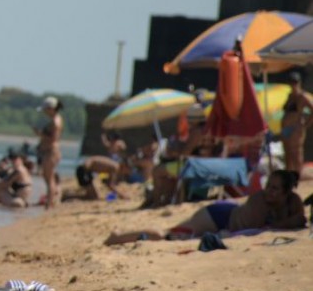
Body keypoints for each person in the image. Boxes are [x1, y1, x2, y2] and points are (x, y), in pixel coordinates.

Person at [105, 169, 307, 245]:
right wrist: (286, 220)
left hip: (224, 215)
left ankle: (121, 237)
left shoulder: (294, 200)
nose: (268, 191)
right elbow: (268, 226)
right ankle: (118, 236)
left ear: (286, 192)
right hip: (216, 216)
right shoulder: (259, 201)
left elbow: (301, 220)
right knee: (168, 235)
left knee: (171, 236)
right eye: (268, 186)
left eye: (274, 189)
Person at [33, 96, 64, 209]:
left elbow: (53, 139)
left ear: (51, 108)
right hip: (48, 151)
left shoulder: (56, 121)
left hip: (51, 152)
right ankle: (51, 201)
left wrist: (40, 134)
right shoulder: (55, 119)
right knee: (47, 177)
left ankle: (50, 204)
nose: (45, 113)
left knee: (49, 178)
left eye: (46, 110)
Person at [281, 71, 313, 171]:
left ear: (299, 83)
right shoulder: (290, 96)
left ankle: (298, 175)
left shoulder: (303, 97)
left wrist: (307, 123)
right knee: (287, 153)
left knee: (296, 152)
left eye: (295, 82)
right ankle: (289, 174)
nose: (293, 85)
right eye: (291, 82)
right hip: (286, 128)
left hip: (296, 128)